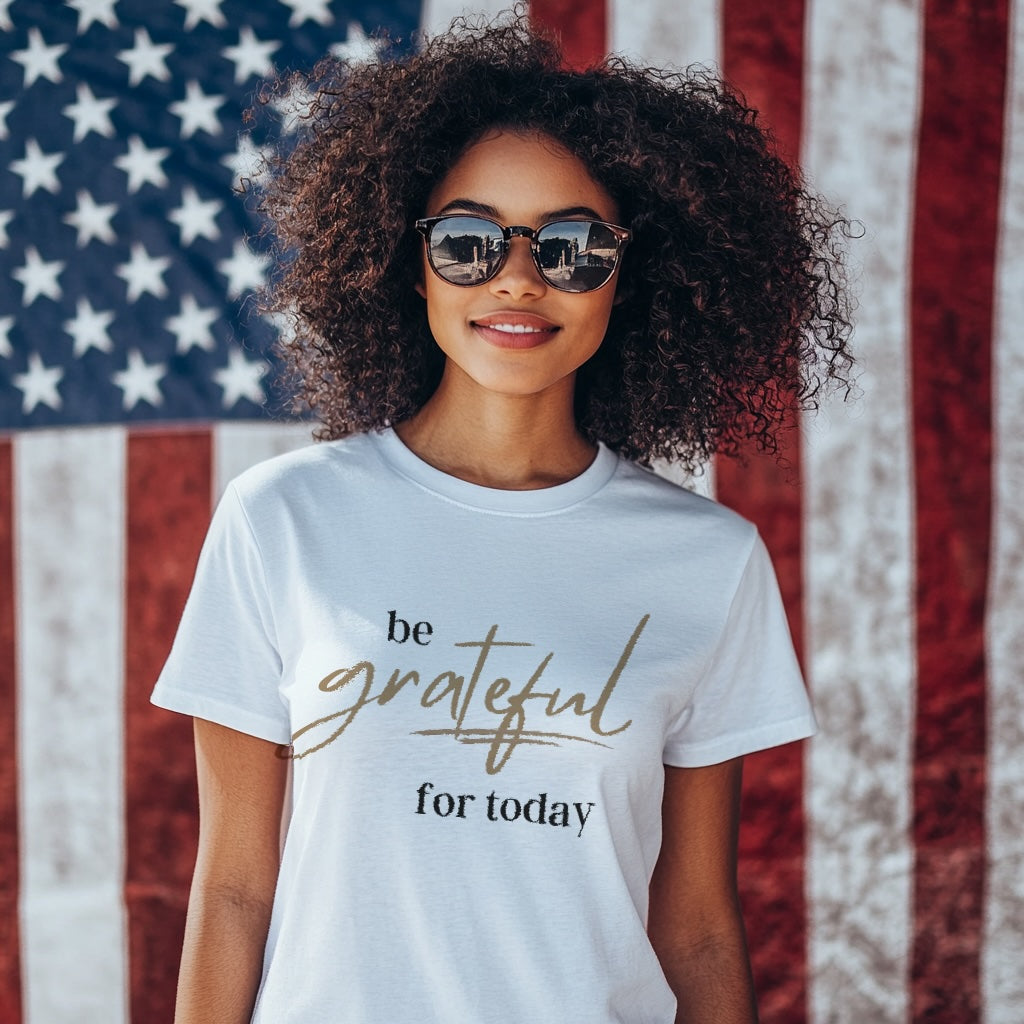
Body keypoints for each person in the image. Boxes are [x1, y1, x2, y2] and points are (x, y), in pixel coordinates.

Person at [152, 11, 853, 1024]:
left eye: (571, 247)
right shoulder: (281, 521)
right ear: (409, 258)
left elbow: (696, 926)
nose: (518, 277)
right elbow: (231, 890)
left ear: (627, 276)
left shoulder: (707, 563)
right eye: (471, 241)